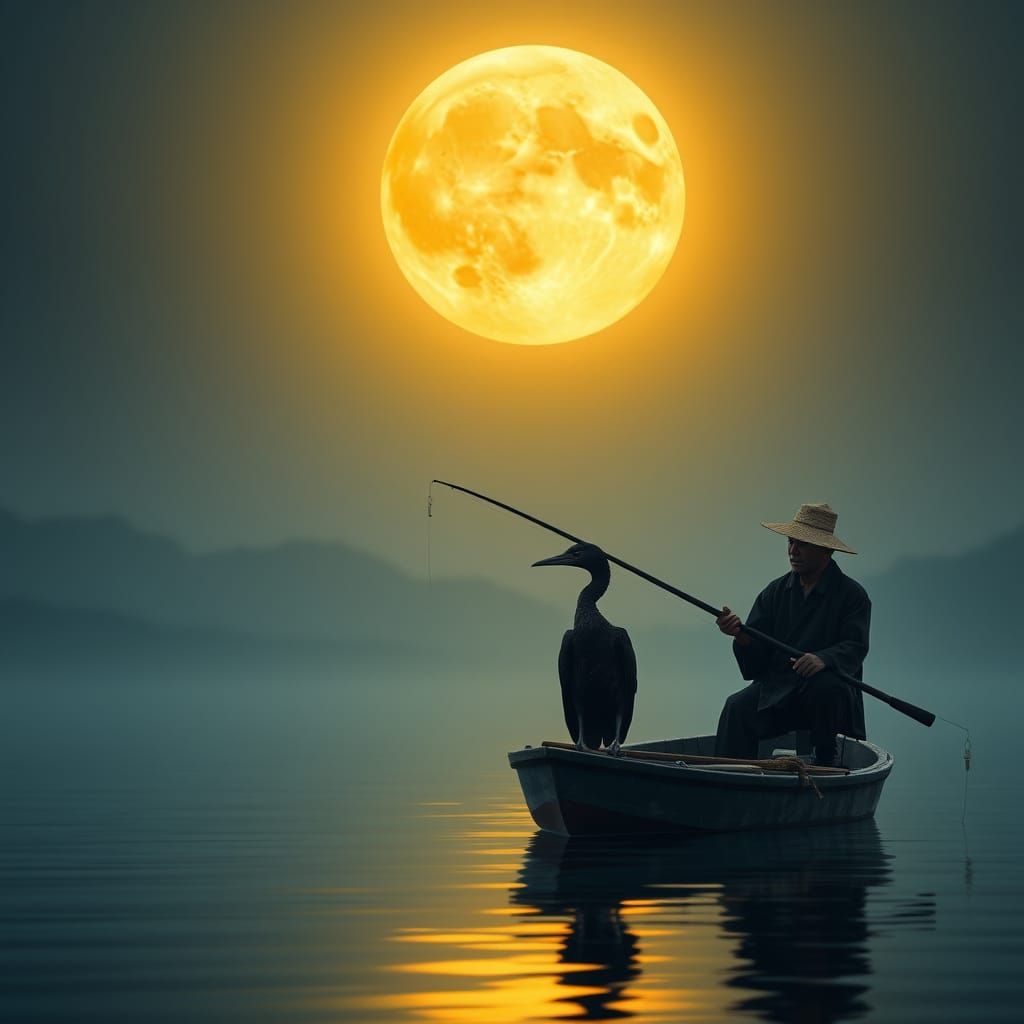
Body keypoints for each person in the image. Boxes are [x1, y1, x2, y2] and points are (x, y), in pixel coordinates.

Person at [714, 503, 870, 766]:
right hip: (779, 691)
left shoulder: (852, 596)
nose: (793, 551)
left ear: (826, 550)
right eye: (790, 543)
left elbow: (855, 647)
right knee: (736, 708)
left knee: (826, 687)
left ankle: (825, 764)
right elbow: (756, 662)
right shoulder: (774, 593)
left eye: (802, 545)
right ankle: (728, 776)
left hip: (828, 701)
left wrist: (824, 659)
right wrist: (740, 636)